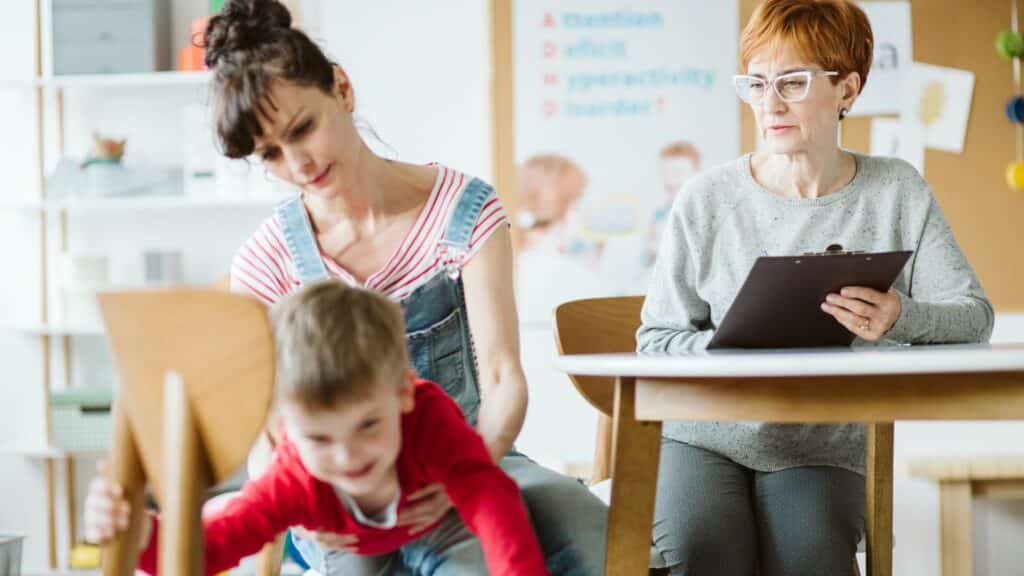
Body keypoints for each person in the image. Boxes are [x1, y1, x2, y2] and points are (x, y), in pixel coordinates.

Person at [207, 0, 607, 573]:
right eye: (271, 154)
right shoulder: (266, 261)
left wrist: (468, 475)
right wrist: (306, 519)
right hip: (342, 496)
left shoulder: (462, 211)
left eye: (303, 129)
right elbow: (264, 431)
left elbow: (501, 377)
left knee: (579, 520)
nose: (297, 162)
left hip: (466, 454)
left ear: (341, 90)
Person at [637, 1, 994, 574]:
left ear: (848, 89)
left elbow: (974, 315)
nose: (769, 104)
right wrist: (731, 343)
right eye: (756, 83)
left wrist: (898, 316)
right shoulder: (706, 199)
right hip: (701, 435)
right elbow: (654, 340)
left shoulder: (896, 191)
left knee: (810, 560)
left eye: (793, 83)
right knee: (707, 551)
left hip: (822, 444)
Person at [84, 282, 549, 575]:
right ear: (285, 427)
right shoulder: (294, 477)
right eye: (320, 438)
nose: (348, 456)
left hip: (434, 519)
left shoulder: (427, 416)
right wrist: (139, 533)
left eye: (368, 425)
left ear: (404, 393)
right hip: (347, 543)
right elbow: (209, 551)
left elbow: (491, 498)